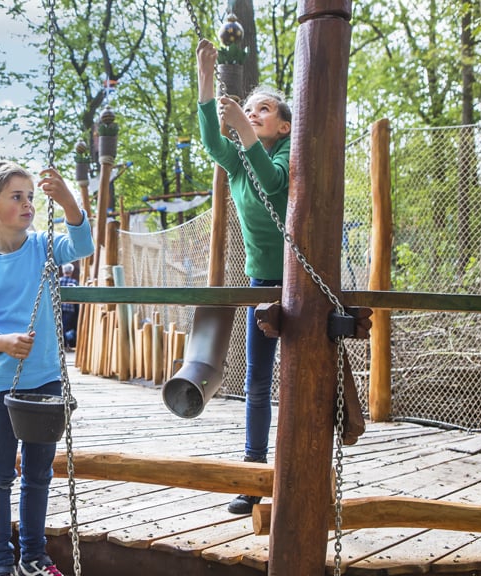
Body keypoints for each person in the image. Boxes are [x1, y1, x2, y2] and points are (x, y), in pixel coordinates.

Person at [0, 162, 93, 576]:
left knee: (38, 474)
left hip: (46, 381)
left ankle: (33, 557)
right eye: (17, 197)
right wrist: (0, 342)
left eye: (31, 196)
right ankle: (0, 562)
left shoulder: (44, 247)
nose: (28, 204)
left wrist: (67, 199)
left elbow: (83, 244)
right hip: (0, 386)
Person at [195, 39, 292, 515]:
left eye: (264, 109)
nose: (253, 113)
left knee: (302, 379)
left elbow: (274, 184)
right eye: (249, 108)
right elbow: (215, 142)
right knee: (256, 380)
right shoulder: (238, 161)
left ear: (284, 124)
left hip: (304, 284)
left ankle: (300, 469)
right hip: (261, 284)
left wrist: (243, 131)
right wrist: (206, 81)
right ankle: (253, 476)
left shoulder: (293, 154)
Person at [59, 263, 79, 350]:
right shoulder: (74, 282)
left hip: (59, 308)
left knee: (59, 326)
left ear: (63, 271)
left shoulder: (58, 281)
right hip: (69, 310)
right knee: (66, 327)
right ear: (71, 272)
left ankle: (61, 345)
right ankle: (65, 345)